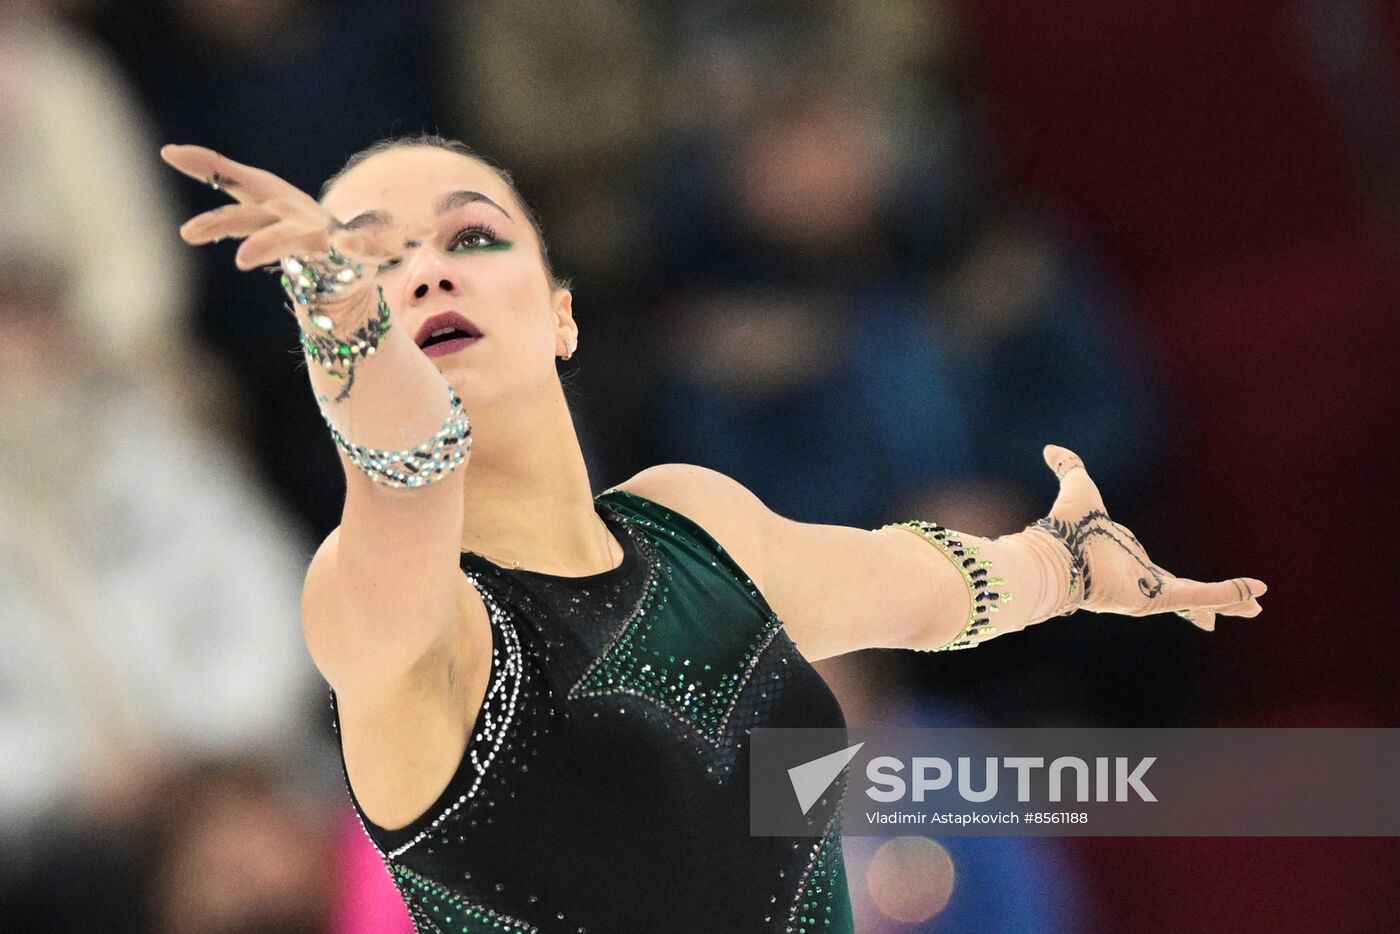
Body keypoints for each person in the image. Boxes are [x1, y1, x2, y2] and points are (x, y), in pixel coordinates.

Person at [160, 133, 1267, 934]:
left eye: (470, 234)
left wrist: (1061, 563)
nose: (425, 270)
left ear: (560, 312)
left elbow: (918, 585)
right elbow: (403, 476)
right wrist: (341, 320)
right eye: (374, 259)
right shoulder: (399, 616)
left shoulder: (691, 522)